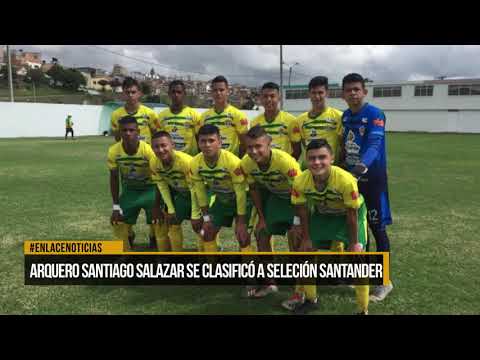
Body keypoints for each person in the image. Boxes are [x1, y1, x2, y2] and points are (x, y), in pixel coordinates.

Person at [282, 139, 369, 315]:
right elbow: (302, 210)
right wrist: (306, 238)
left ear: (332, 158)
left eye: (322, 157)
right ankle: (311, 300)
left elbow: (352, 213)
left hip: (350, 216)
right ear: (306, 160)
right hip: (324, 213)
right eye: (312, 158)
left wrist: (354, 244)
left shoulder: (346, 180)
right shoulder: (300, 181)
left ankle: (362, 310)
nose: (316, 162)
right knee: (305, 253)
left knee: (358, 260)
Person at [340, 73, 393, 302]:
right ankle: (361, 274)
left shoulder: (374, 114)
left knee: (377, 229)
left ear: (364, 92)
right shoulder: (345, 116)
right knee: (358, 229)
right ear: (343, 94)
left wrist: (362, 166)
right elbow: (345, 146)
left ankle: (384, 281)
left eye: (356, 89)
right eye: (348, 90)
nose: (353, 93)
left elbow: (374, 143)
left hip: (373, 181)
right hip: (353, 180)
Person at [240, 125, 302, 298]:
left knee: (296, 237)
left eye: (258, 146)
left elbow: (300, 191)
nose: (253, 151)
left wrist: (297, 222)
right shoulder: (247, 162)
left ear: (269, 144)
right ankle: (270, 282)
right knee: (261, 233)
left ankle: (300, 284)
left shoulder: (285, 161)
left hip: (296, 200)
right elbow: (254, 190)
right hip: (276, 198)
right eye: (250, 147)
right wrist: (261, 217)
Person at [190, 124, 251, 253]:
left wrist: (241, 221)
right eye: (203, 141)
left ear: (220, 142)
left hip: (243, 199)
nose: (207, 145)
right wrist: (205, 218)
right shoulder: (195, 163)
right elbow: (200, 192)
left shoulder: (232, 162)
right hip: (222, 199)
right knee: (207, 232)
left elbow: (241, 192)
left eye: (211, 140)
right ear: (198, 143)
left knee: (242, 237)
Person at [107, 116, 160, 251]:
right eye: (124, 130)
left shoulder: (148, 151)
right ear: (119, 133)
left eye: (131, 130)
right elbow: (113, 178)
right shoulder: (114, 151)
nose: (128, 133)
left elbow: (159, 178)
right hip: (130, 191)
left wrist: (158, 205)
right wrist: (115, 206)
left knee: (158, 219)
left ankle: (154, 240)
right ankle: (126, 246)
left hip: (150, 189)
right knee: (117, 220)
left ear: (138, 132)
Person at [150, 131, 203, 251]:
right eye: (156, 147)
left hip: (200, 195)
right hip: (183, 195)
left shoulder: (185, 162)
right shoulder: (154, 162)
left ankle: (207, 255)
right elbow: (162, 185)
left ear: (172, 145)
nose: (160, 150)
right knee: (173, 222)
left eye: (164, 145)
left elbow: (194, 188)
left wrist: (195, 215)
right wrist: (171, 209)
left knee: (201, 226)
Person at [295, 76, 343, 166]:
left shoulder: (338, 116)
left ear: (327, 93)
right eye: (313, 93)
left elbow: (343, 147)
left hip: (331, 170)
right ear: (309, 94)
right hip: (309, 170)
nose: (317, 97)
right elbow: (303, 146)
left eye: (320, 92)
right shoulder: (300, 120)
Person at [199, 76, 249, 157]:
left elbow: (245, 143)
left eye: (221, 90)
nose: (218, 93)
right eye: (215, 90)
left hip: (231, 163)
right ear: (211, 92)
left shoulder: (238, 115)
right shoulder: (204, 117)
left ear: (227, 91)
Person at [250, 82, 302, 160]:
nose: (269, 99)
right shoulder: (254, 123)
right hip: (263, 168)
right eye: (265, 96)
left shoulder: (291, 120)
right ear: (261, 99)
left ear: (279, 98)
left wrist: (287, 165)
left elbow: (297, 150)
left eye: (272, 96)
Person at [155, 80, 202, 156]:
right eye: (173, 92)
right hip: (170, 160)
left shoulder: (194, 115)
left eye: (179, 92)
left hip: (189, 160)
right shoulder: (161, 116)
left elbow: (200, 139)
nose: (176, 95)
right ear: (169, 94)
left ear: (184, 94)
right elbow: (159, 140)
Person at [111, 77, 158, 144]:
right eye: (127, 92)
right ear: (123, 94)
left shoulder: (150, 113)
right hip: (125, 153)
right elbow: (117, 139)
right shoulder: (116, 114)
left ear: (139, 94)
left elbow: (156, 136)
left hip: (145, 153)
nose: (130, 95)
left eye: (133, 92)